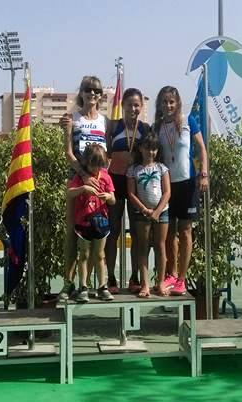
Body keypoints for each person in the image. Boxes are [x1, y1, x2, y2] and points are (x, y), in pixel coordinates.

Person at [153, 86, 208, 296]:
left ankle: (182, 280)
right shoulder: (156, 126)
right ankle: (172, 274)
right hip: (167, 185)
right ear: (160, 104)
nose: (168, 106)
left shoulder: (188, 122)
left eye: (172, 102)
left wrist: (203, 173)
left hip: (187, 183)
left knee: (185, 231)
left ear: (177, 104)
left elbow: (201, 148)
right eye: (165, 102)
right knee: (168, 234)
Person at [59, 76, 108, 300]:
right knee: (72, 233)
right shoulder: (72, 118)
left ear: (100, 95)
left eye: (96, 90)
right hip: (78, 179)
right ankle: (68, 283)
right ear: (82, 92)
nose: (92, 94)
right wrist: (84, 177)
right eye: (88, 90)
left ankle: (102, 284)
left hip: (99, 182)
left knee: (99, 231)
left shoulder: (104, 121)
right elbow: (69, 153)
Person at [105, 88, 151, 294]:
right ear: (122, 106)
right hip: (115, 182)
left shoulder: (146, 129)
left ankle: (135, 277)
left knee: (137, 233)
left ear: (141, 107)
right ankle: (112, 278)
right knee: (113, 232)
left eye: (136, 105)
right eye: (129, 104)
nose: (133, 108)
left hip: (137, 184)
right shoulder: (114, 126)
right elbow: (105, 153)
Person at [67, 144, 116, 302]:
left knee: (100, 255)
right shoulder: (80, 178)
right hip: (83, 222)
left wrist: (108, 197)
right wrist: (83, 189)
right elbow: (69, 193)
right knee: (84, 255)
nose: (96, 169)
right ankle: (83, 287)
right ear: (86, 162)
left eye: (100, 165)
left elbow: (113, 200)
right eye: (93, 165)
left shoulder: (106, 177)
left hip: (101, 221)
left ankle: (102, 286)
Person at [127, 133, 171, 297]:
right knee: (143, 248)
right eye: (147, 148)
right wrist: (145, 210)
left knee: (160, 247)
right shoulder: (133, 170)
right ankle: (145, 285)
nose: (150, 152)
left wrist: (157, 211)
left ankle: (160, 283)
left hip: (162, 213)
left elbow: (167, 192)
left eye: (154, 149)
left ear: (157, 150)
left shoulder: (161, 168)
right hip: (141, 213)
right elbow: (131, 193)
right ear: (140, 148)